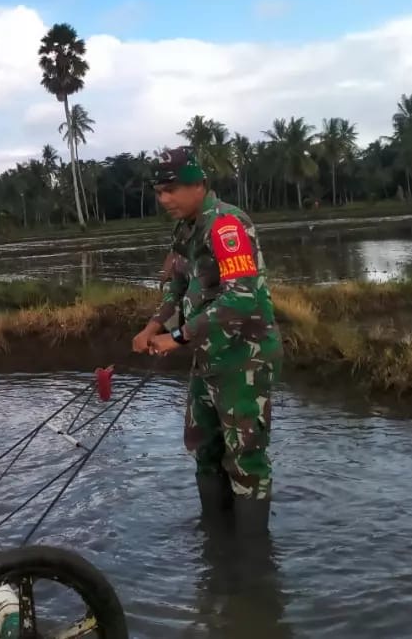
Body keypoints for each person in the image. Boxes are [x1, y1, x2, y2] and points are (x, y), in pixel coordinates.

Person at [130, 146, 282, 536]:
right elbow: (178, 285)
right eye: (159, 191)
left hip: (243, 358)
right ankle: (216, 543)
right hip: (207, 355)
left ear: (199, 185)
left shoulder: (227, 225)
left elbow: (241, 296)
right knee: (205, 449)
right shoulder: (186, 230)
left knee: (246, 460)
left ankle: (252, 564)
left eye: (172, 189)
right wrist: (153, 327)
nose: (165, 199)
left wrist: (177, 337)